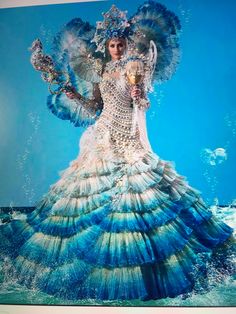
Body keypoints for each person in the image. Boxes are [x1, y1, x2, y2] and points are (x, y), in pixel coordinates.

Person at [0, 1, 235, 301]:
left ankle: (148, 270)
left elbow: (142, 101)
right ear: (106, 46)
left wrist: (139, 94)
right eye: (112, 44)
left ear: (126, 43)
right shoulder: (101, 72)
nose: (116, 48)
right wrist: (73, 94)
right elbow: (94, 107)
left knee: (138, 193)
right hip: (103, 135)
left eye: (120, 43)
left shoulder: (134, 66)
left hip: (128, 136)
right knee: (88, 193)